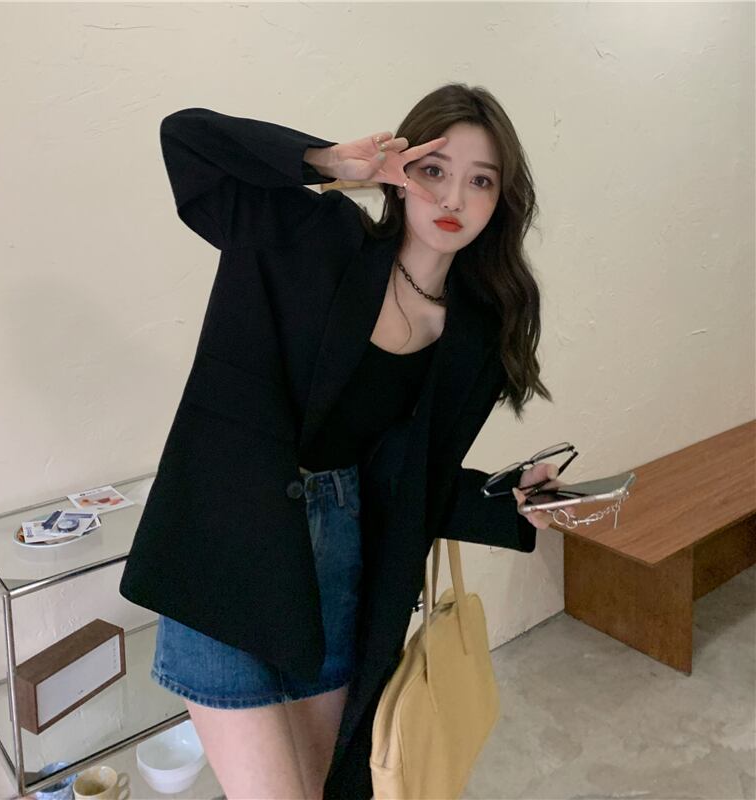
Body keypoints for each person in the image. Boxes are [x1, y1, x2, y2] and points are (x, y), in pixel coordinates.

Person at [119, 82, 562, 800]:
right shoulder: (314, 234)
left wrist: (509, 501)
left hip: (337, 563)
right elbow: (187, 141)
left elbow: (406, 477)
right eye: (434, 170)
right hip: (226, 542)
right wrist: (325, 161)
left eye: (481, 181)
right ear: (401, 171)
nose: (453, 198)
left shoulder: (475, 333)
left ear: (501, 201)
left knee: (330, 788)